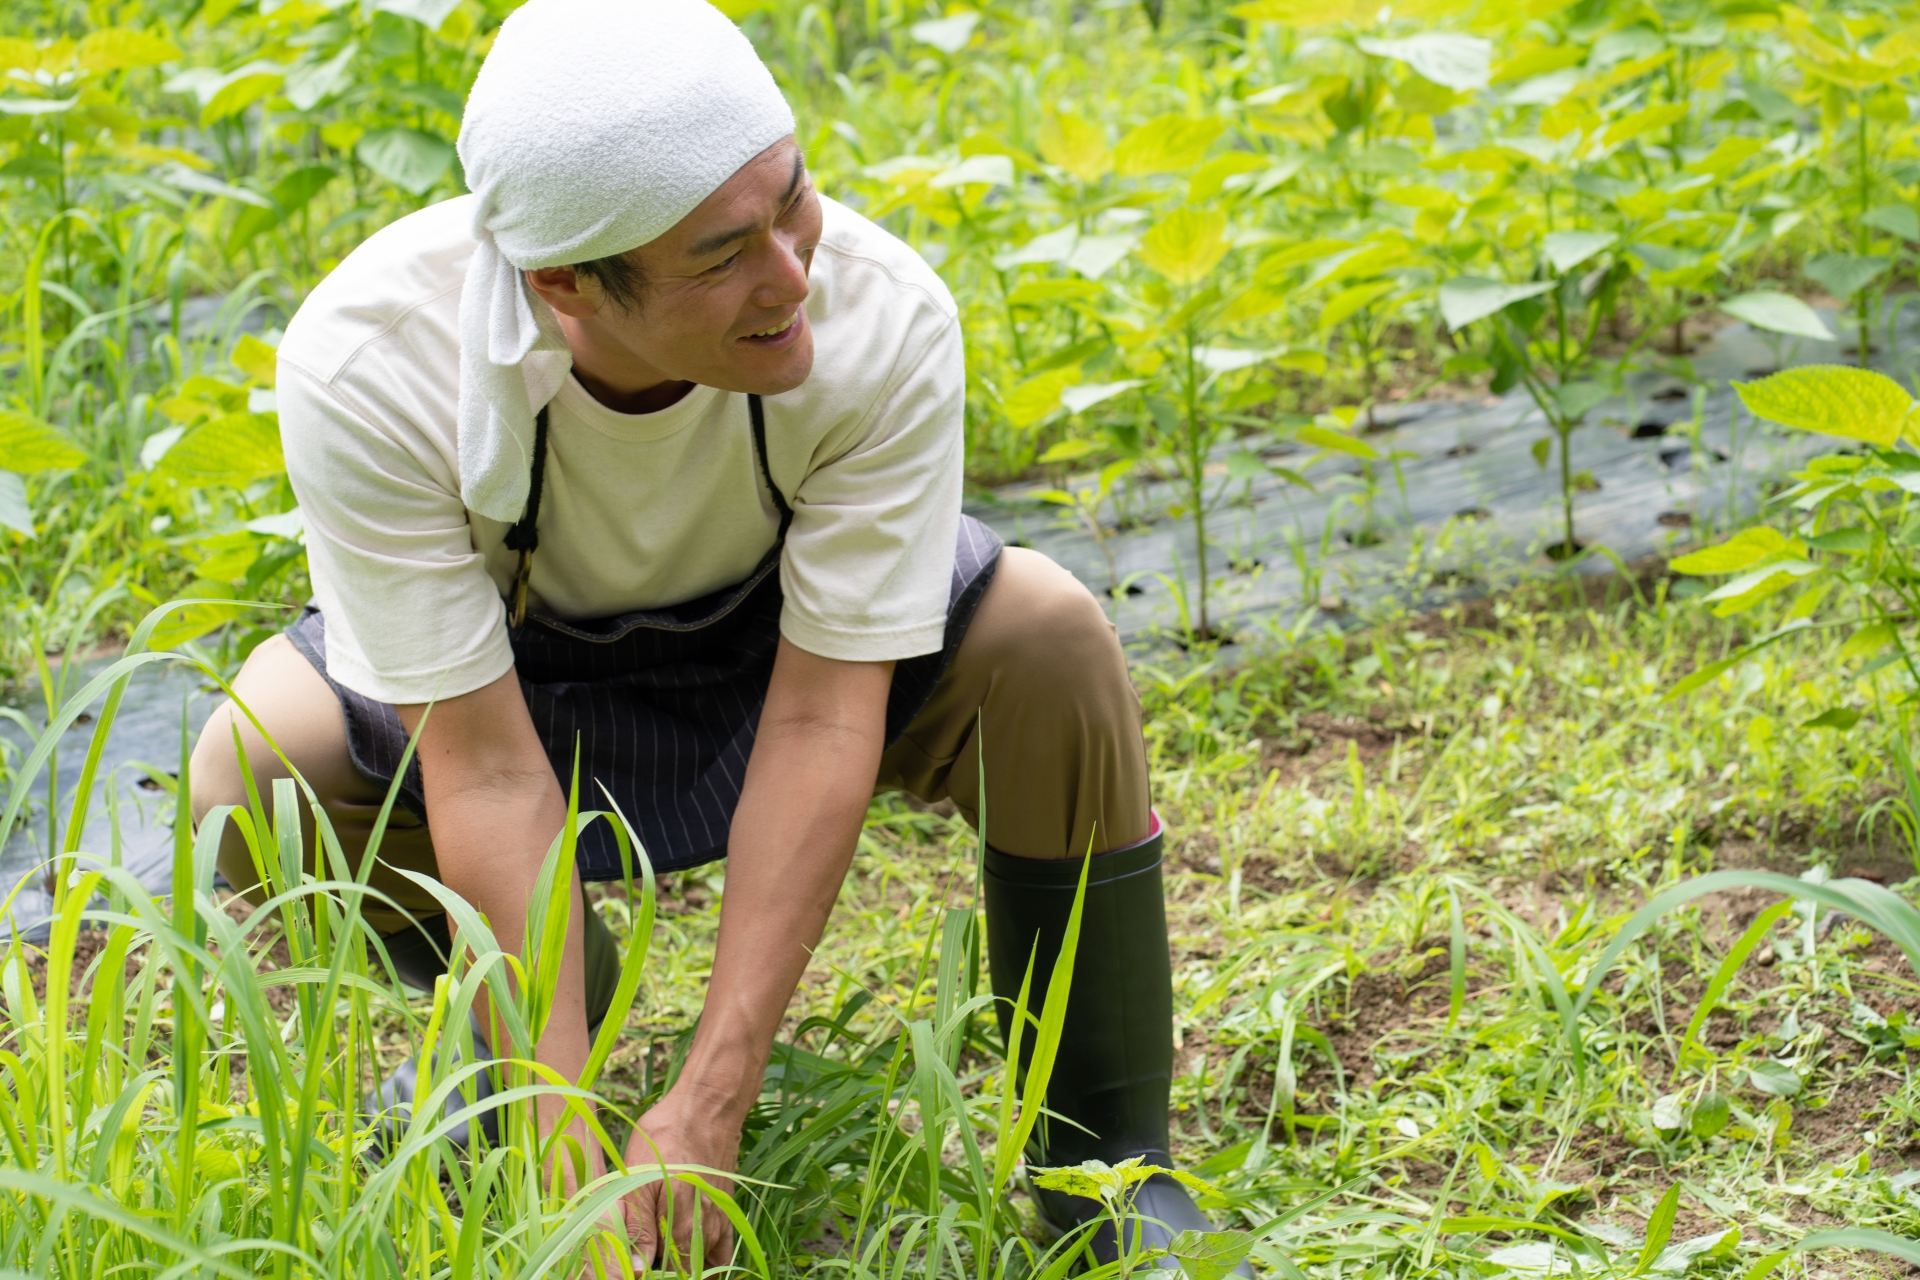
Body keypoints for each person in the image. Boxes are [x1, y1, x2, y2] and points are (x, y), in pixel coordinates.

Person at [188, 0, 1246, 1271]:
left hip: (785, 647)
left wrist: (712, 1096)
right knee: (259, 759)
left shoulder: (877, 311)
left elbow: (819, 712)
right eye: (723, 254)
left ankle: (1102, 1166)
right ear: (566, 283)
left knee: (1046, 631)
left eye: (792, 200)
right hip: (520, 694)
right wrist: (561, 1128)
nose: (793, 275)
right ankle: (516, 1056)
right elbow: (484, 763)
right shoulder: (373, 363)